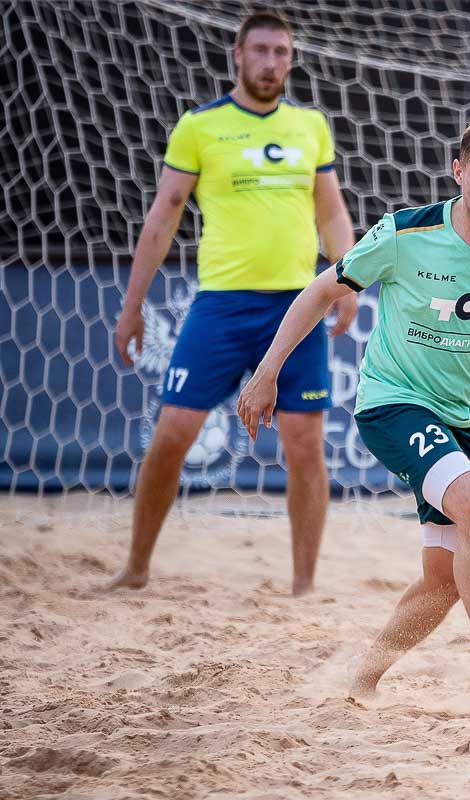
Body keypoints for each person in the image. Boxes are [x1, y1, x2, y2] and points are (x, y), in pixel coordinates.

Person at [237, 114, 470, 713]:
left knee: (444, 579)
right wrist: (268, 371)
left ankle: (362, 676)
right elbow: (321, 291)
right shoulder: (405, 233)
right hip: (393, 402)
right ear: (458, 172)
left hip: (468, 418)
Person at [107, 12, 356, 596]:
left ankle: (303, 587)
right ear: (238, 55)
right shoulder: (200, 126)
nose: (271, 62)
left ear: (291, 60)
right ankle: (136, 567)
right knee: (171, 434)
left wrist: (346, 280)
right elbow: (164, 215)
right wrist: (133, 305)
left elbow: (331, 212)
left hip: (295, 309)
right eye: (261, 50)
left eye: (281, 52)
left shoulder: (310, 125)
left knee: (305, 447)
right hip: (219, 306)